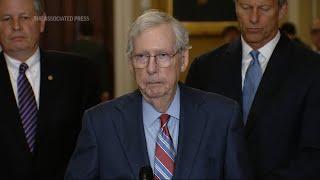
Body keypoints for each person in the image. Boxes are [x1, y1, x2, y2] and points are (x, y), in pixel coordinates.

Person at [65, 10, 251, 180]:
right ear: (130, 63)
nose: (151, 69)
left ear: (183, 60)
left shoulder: (221, 117)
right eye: (142, 57)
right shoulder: (100, 123)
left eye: (162, 56)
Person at [186, 0, 320, 179]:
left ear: (282, 10)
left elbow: (313, 154)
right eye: (246, 7)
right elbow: (191, 145)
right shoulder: (205, 68)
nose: (254, 18)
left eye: (264, 9)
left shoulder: (311, 69)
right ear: (235, 7)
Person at [0, 0, 100, 179]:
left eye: (24, 17)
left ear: (42, 21)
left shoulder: (78, 73)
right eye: (7, 18)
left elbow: (93, 148)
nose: (16, 26)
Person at [68, 22, 113, 101]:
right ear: (93, 32)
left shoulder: (72, 48)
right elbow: (103, 70)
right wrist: (105, 91)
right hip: (94, 90)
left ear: (79, 32)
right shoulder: (99, 49)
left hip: (75, 90)